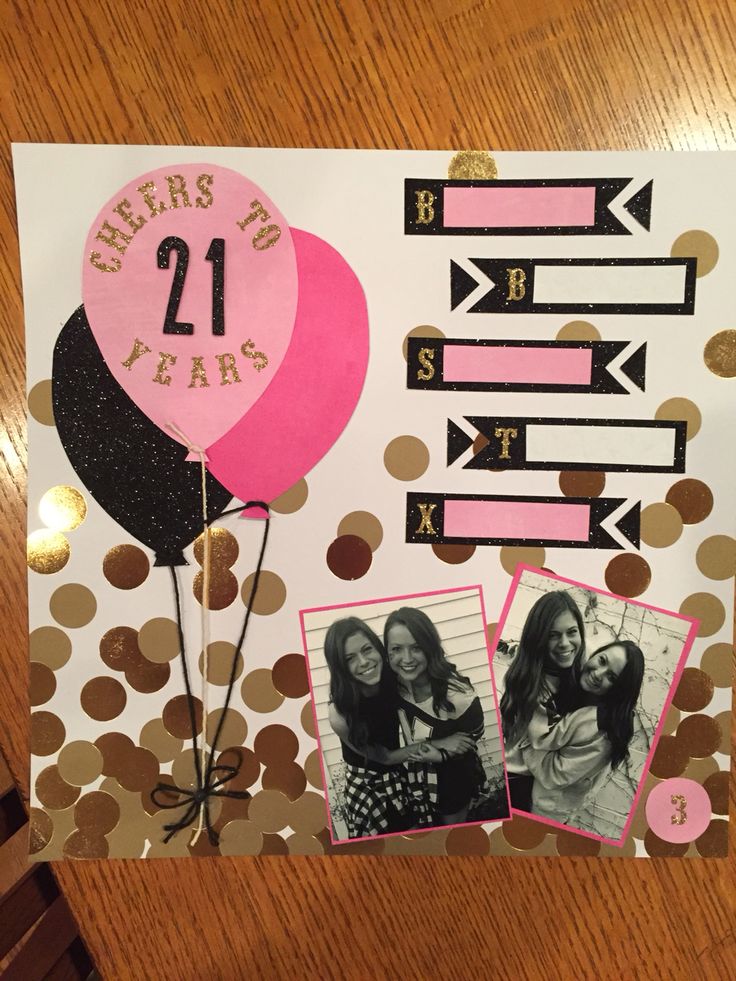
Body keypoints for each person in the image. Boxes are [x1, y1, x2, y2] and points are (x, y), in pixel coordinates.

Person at [325, 616, 437, 838]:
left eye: (367, 649)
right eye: (350, 658)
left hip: (397, 770)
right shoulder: (340, 713)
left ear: (379, 649)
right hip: (369, 782)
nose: (364, 661)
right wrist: (441, 744)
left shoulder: (392, 680)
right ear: (340, 667)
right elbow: (385, 758)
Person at [521, 640, 645, 827]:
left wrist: (526, 740)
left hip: (546, 809)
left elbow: (555, 775)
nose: (597, 674)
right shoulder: (577, 689)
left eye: (611, 677)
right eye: (602, 661)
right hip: (531, 789)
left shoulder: (603, 729)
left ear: (619, 689)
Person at [384, 607, 486, 825]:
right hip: (414, 771)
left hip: (452, 776)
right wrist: (437, 743)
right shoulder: (393, 682)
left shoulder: (459, 695)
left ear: (430, 647)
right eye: (397, 649)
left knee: (453, 832)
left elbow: (473, 735)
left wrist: (442, 755)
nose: (407, 658)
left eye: (416, 648)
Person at [499, 590, 585, 811]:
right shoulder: (530, 682)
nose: (565, 643)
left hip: (544, 782)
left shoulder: (577, 676)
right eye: (553, 635)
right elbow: (542, 744)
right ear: (538, 638)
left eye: (572, 632)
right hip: (516, 783)